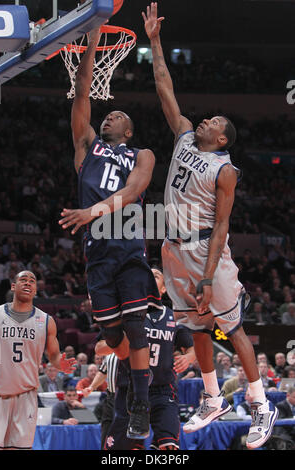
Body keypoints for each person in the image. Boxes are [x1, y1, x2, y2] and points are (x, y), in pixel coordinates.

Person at [143, 2, 278, 450]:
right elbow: (166, 89)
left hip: (206, 253)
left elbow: (222, 227)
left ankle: (261, 405)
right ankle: (212, 397)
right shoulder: (183, 136)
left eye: (215, 122)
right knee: (198, 328)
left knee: (231, 327)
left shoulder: (226, 170)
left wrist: (206, 274)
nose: (206, 119)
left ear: (221, 139)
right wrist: (156, 41)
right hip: (173, 248)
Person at [58, 24, 162, 440]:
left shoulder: (143, 154)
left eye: (118, 115)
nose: (110, 114)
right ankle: (133, 386)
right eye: (108, 113)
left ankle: (140, 402)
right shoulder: (85, 146)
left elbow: (135, 191)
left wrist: (92, 210)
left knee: (137, 328)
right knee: (114, 335)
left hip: (128, 244)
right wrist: (94, 35)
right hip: (97, 254)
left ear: (129, 131)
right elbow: (83, 89)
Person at [102, 268, 194, 451]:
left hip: (163, 390)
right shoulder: (126, 312)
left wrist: (189, 357)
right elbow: (99, 348)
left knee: (169, 447)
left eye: (157, 275)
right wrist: (125, 339)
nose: (150, 277)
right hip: (131, 389)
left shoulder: (174, 316)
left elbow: (192, 347)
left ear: (163, 289)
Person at [0, 270, 76, 450]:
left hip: (27, 395)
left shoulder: (46, 321)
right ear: (13, 286)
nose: (28, 283)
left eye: (32, 281)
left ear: (35, 290)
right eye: (23, 280)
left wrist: (59, 364)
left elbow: (53, 355)